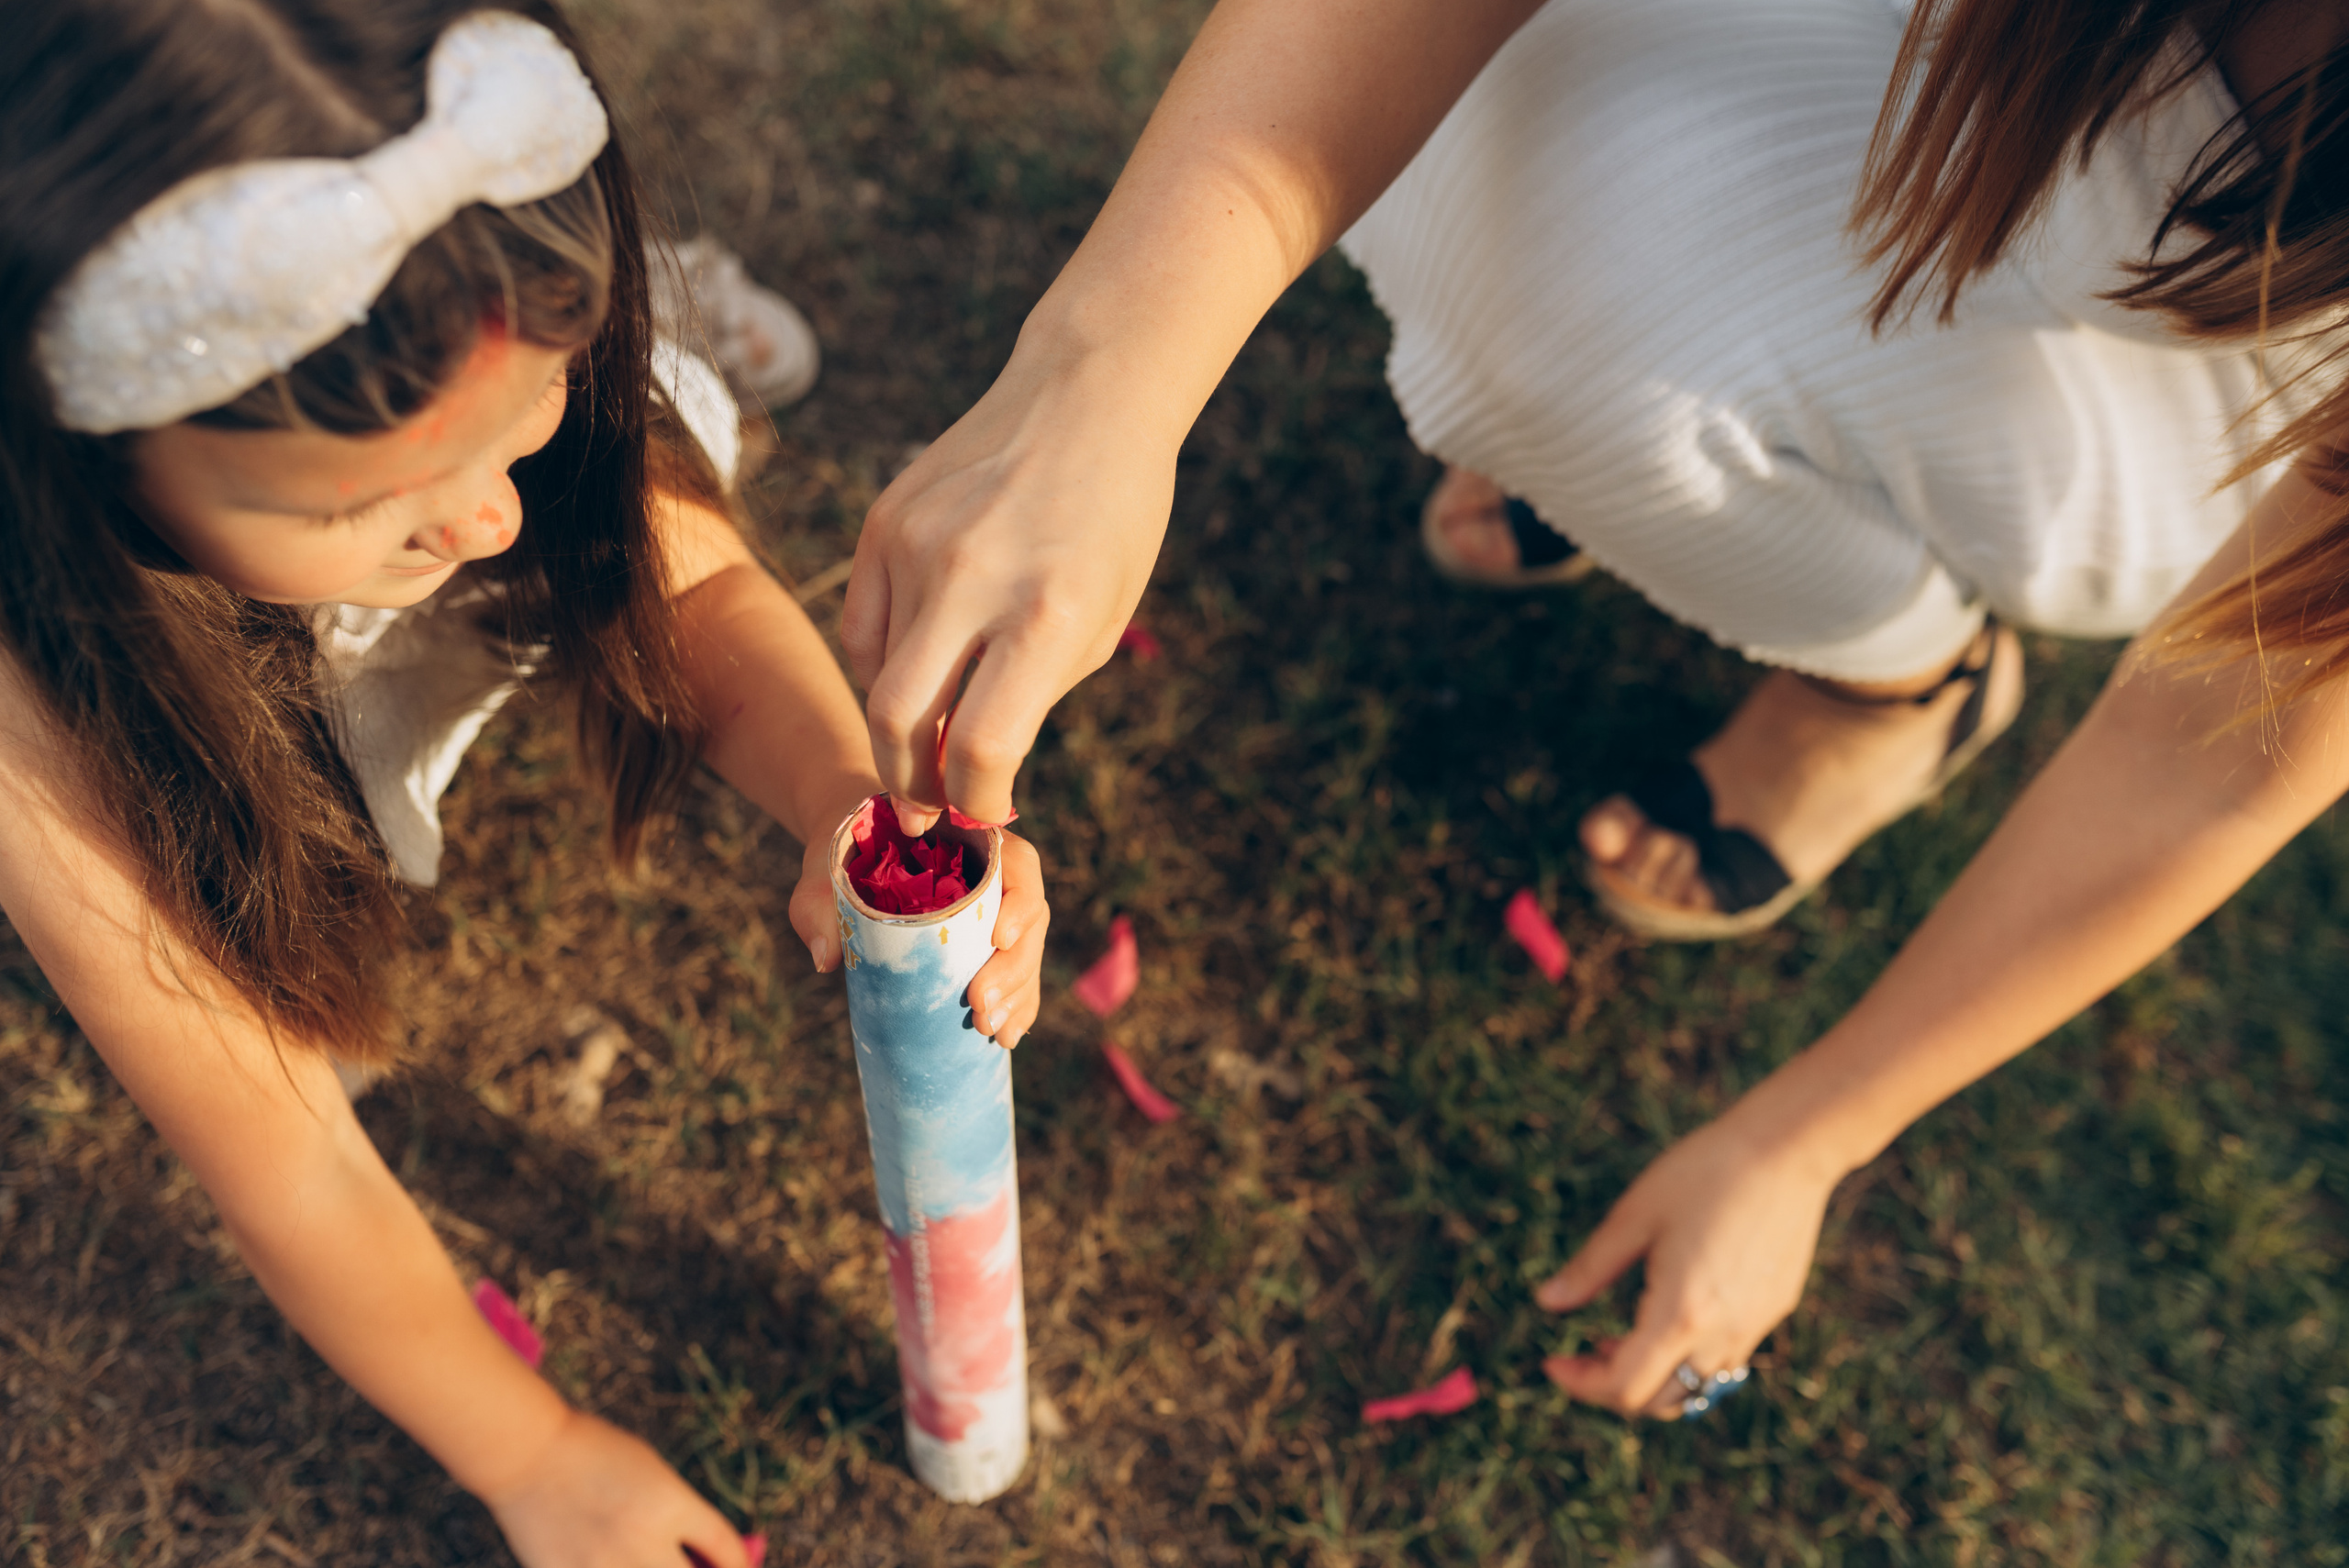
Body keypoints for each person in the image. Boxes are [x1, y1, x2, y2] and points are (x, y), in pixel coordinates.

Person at [842, 0, 2348, 1416]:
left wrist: (1802, 1138)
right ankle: (1675, 424)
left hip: (2187, 401)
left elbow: (2229, 735)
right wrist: (1103, 377)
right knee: (1476, 179)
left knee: (1554, 311)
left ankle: (1900, 676)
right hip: (1932, 80)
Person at [0, 4, 1046, 1562]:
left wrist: (847, 799)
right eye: (372, 497)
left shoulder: (461, 345)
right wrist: (538, 1453)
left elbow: (679, 598)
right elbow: (284, 1151)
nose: (492, 520)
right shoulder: (34, 694)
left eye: (531, 401)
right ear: (83, 478)